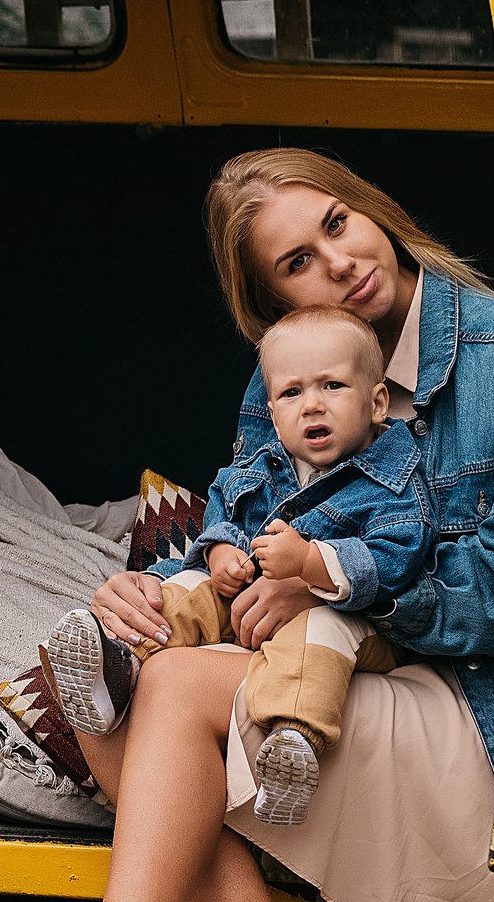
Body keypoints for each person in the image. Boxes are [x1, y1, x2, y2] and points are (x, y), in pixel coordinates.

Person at [0, 151, 494, 902]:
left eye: (337, 224)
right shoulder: (295, 362)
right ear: (271, 299)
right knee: (113, 663)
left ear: (371, 207)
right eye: (296, 261)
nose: (334, 264)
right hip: (333, 664)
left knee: (174, 683)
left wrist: (334, 583)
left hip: (464, 702)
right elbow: (242, 521)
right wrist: (152, 583)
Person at [40, 305, 432, 829]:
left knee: (320, 635)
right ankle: (117, 665)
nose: (312, 405)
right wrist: (221, 552)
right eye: (292, 393)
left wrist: (311, 564)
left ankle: (291, 746)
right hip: (251, 597)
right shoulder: (264, 463)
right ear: (272, 412)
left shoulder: (395, 478)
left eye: (333, 386)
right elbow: (225, 507)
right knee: (189, 589)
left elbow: (401, 555)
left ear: (378, 401)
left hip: (356, 620)